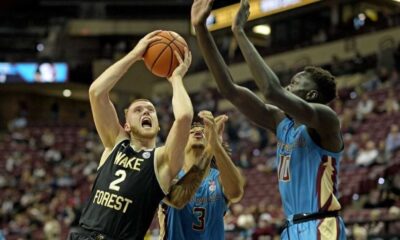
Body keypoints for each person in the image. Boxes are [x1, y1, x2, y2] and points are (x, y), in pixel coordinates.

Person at [191, 0, 346, 239]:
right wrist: (201, 28)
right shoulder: (280, 122)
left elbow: (272, 90)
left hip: (321, 225)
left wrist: (240, 32)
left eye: (295, 83)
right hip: (290, 228)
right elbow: (229, 90)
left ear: (311, 95)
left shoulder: (326, 119)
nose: (288, 85)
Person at [69, 30, 194, 240]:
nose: (146, 111)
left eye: (151, 110)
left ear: (158, 126)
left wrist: (176, 79)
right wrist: (135, 55)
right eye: (138, 110)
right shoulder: (114, 144)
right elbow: (97, 92)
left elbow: (184, 117)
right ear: (126, 125)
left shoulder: (162, 160)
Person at [158, 110, 244, 240]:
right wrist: (211, 145)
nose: (197, 131)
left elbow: (236, 193)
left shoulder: (219, 177)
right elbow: (177, 197)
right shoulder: (170, 173)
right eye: (191, 131)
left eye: (203, 132)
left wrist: (216, 146)